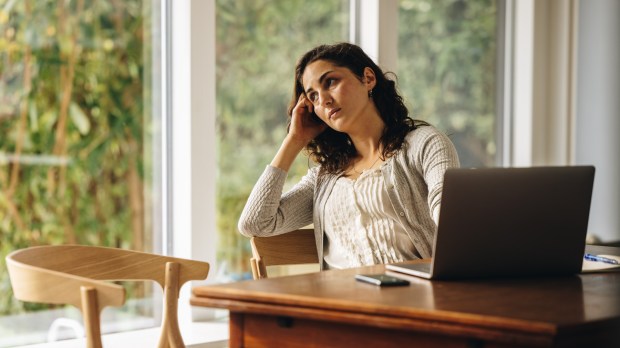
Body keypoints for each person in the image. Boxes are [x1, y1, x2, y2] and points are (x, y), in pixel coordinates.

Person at [238, 42, 460, 270]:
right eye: (313, 96)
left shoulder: (423, 144)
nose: (323, 100)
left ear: (368, 78)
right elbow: (255, 223)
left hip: (414, 297)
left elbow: (451, 218)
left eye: (330, 82)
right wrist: (294, 141)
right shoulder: (323, 179)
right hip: (341, 301)